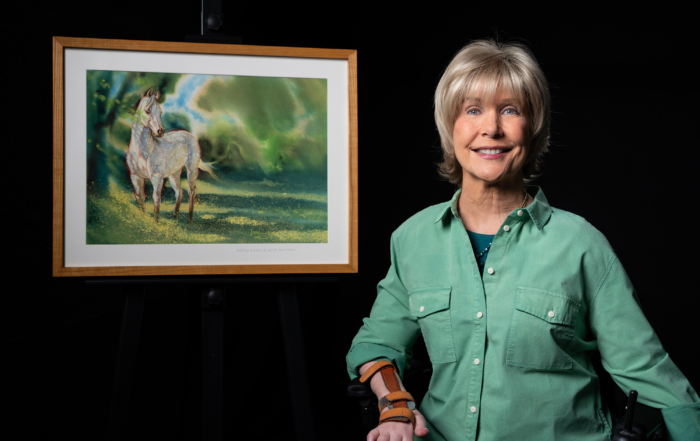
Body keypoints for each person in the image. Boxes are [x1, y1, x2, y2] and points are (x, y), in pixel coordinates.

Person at [346, 40, 699, 441]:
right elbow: (375, 345)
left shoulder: (582, 244)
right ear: (451, 127)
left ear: (533, 128)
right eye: (472, 110)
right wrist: (396, 406)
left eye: (510, 110)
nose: (491, 128)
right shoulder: (412, 238)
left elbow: (651, 374)